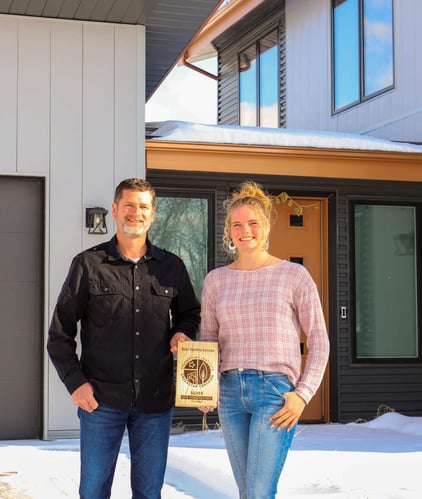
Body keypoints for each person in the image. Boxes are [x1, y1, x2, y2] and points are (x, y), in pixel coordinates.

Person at [47, 178, 200, 499]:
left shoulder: (171, 267)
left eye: (143, 206)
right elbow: (59, 333)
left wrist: (181, 332)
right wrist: (76, 384)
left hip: (155, 402)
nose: (136, 212)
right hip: (100, 400)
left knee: (149, 492)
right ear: (115, 210)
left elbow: (189, 313)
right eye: (129, 205)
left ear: (153, 214)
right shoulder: (88, 265)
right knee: (93, 491)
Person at [200, 181, 330, 499]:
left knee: (258, 491)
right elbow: (208, 341)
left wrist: (303, 395)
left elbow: (319, 340)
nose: (246, 231)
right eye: (237, 224)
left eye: (253, 223)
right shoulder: (216, 281)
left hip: (274, 394)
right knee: (248, 491)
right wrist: (205, 386)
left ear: (267, 226)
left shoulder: (293, 276)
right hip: (230, 395)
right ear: (228, 231)